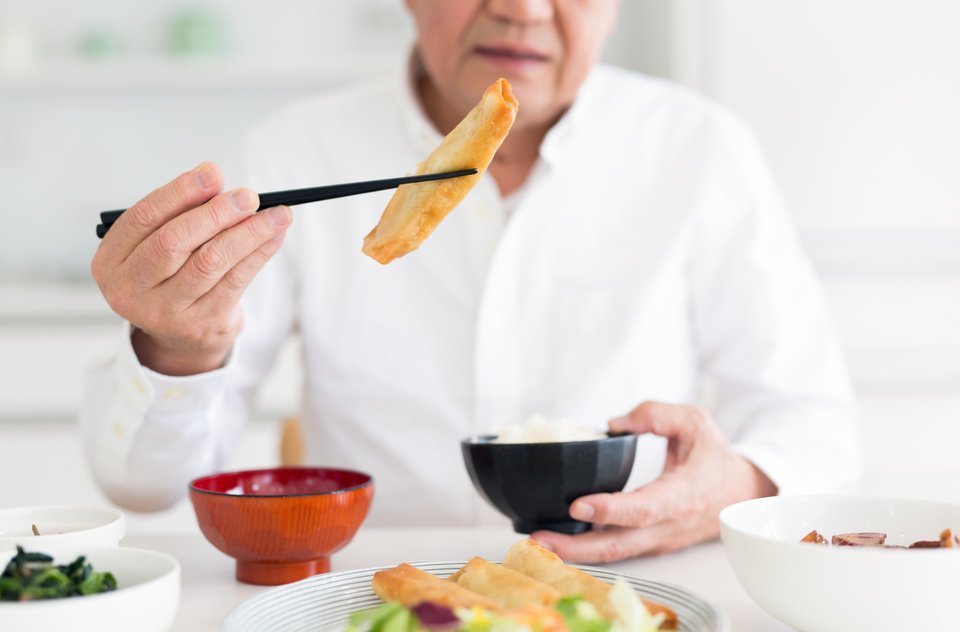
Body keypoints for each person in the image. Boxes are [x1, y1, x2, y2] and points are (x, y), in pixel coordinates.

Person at [82, 0, 859, 563]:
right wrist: (176, 344)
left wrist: (726, 488)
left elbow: (816, 428)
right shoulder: (296, 150)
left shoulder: (700, 149)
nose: (522, 10)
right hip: (370, 591)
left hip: (636, 590)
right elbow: (143, 487)